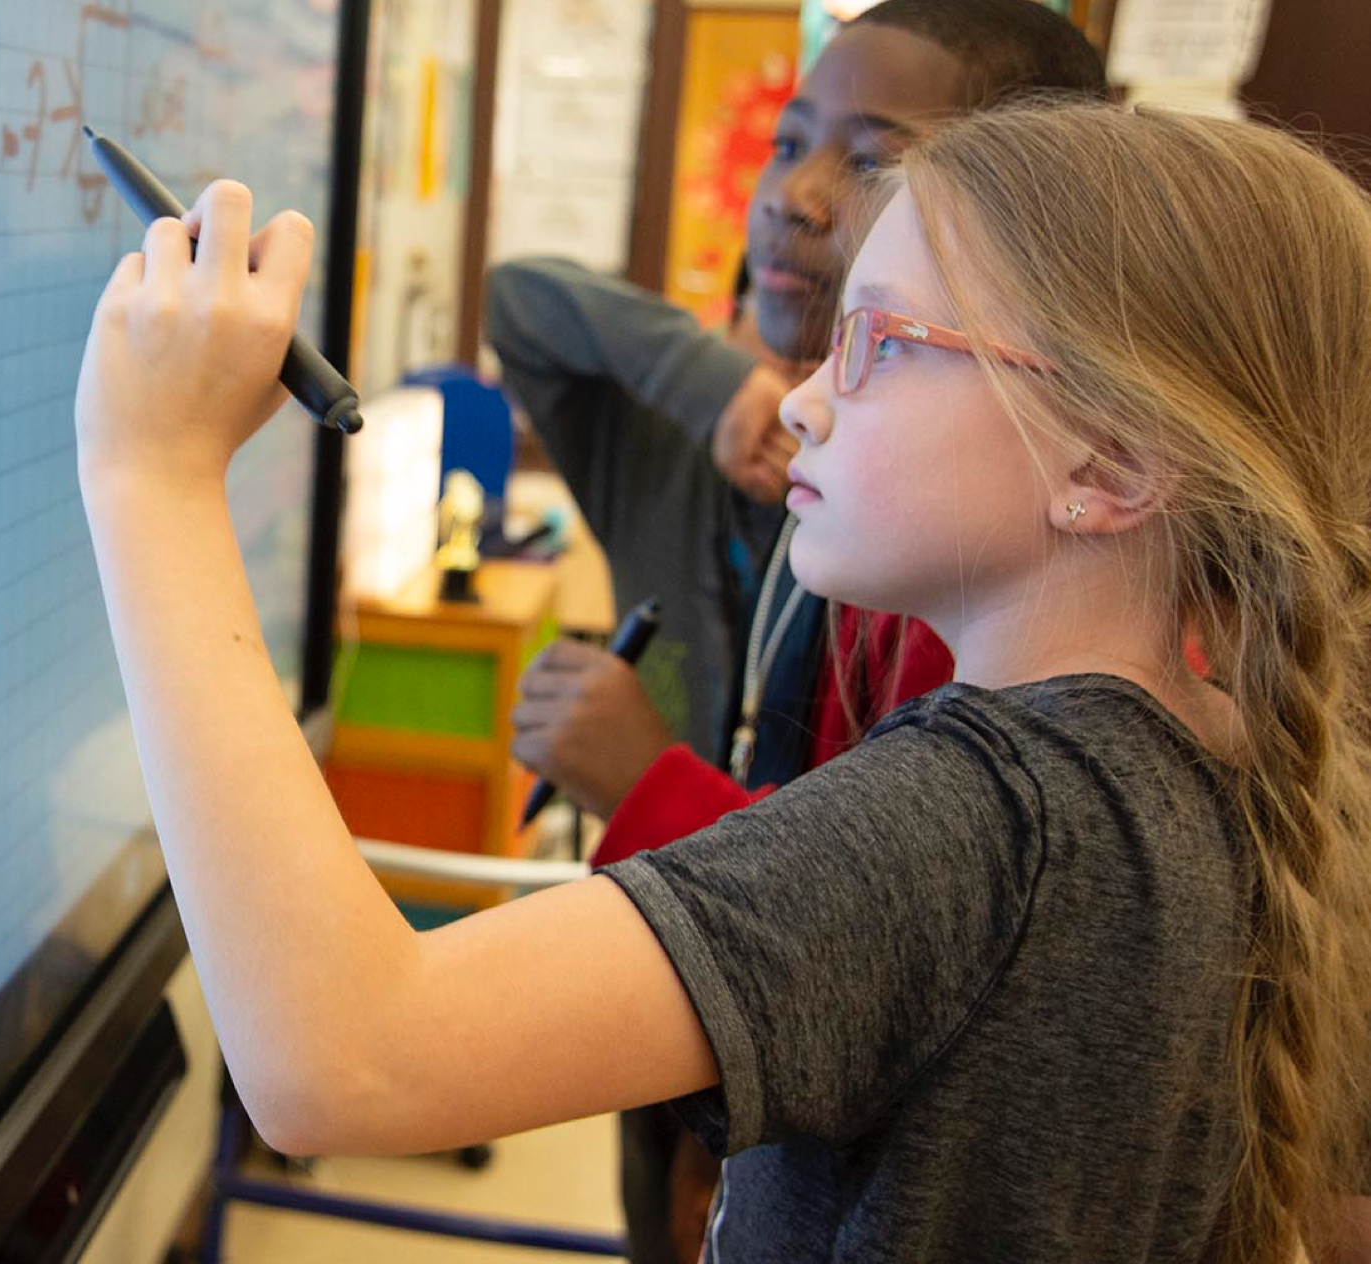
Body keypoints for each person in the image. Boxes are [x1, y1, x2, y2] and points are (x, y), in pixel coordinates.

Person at [71, 99, 1371, 1262]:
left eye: (874, 342)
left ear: (1111, 466)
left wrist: (154, 477)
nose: (805, 402)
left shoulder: (986, 824)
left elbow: (337, 1059)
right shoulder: (1204, 769)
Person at [485, 3, 1102, 1253]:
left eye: (870, 161)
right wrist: (718, 389)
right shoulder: (729, 467)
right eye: (785, 145)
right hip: (702, 1025)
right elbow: (520, 301)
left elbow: (880, 934)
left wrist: (646, 780)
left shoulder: (965, 587)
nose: (799, 197)